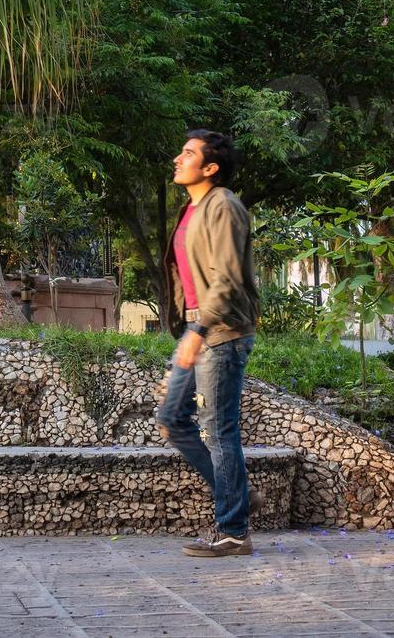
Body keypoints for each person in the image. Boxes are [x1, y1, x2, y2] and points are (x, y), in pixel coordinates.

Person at [155, 129, 260, 557]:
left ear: (210, 167)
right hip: (199, 327)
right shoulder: (192, 209)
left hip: (221, 331)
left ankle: (234, 531)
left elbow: (229, 280)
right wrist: (191, 327)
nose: (178, 159)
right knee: (172, 419)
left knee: (219, 430)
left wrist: (198, 332)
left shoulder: (224, 207)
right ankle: (234, 493)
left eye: (188, 154)